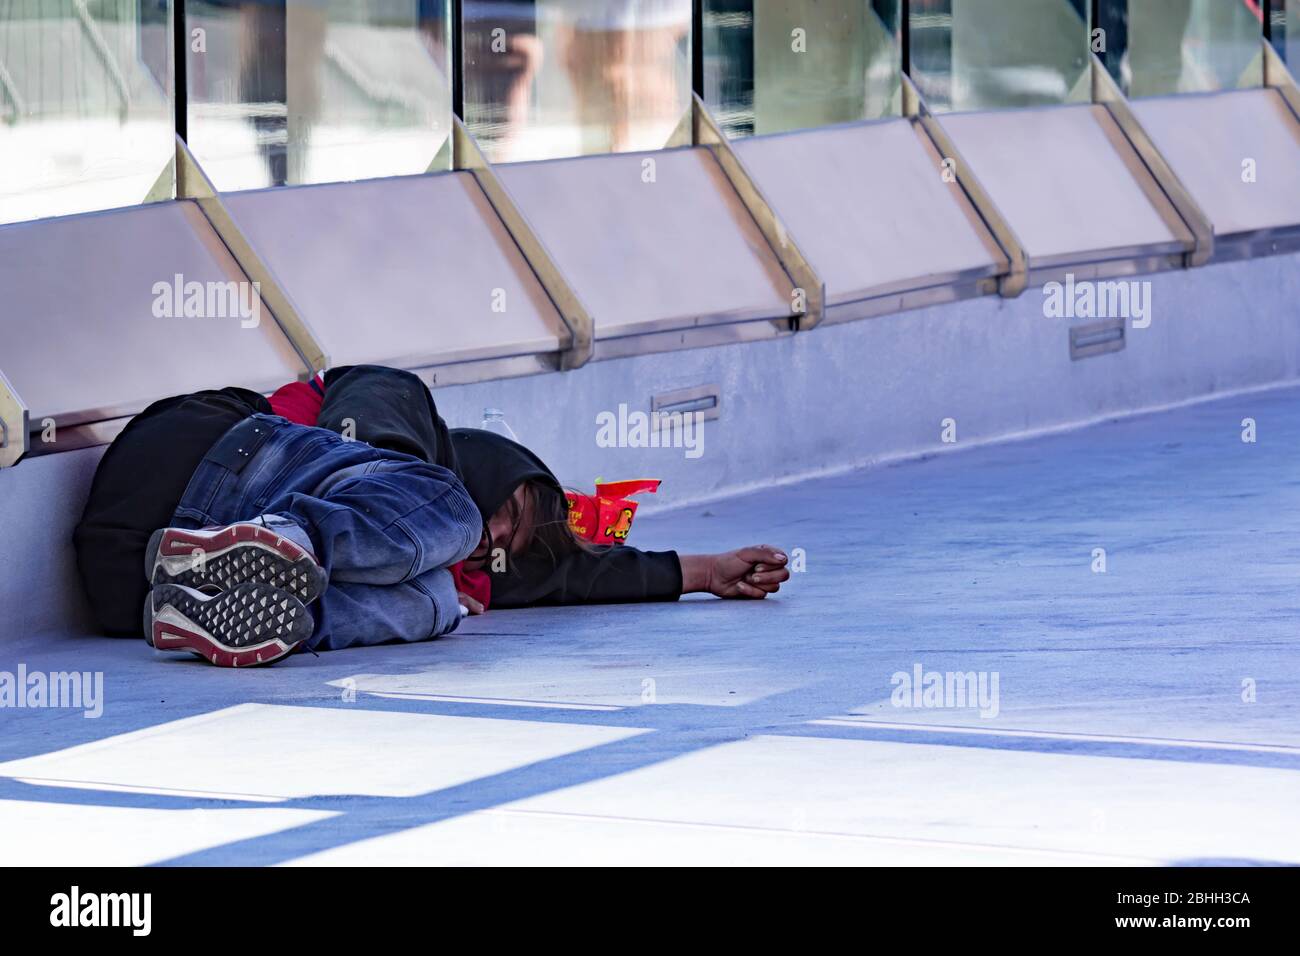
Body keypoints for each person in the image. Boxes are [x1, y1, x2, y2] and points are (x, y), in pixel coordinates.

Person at [73, 366, 790, 667]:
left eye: (507, 545)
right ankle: (284, 540)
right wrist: (428, 501)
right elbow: (376, 429)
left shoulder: (455, 563)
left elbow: (580, 575)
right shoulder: (406, 410)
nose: (494, 541)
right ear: (487, 466)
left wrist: (704, 573)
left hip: (128, 587)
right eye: (506, 511)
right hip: (188, 462)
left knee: (437, 602)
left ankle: (228, 613)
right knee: (444, 519)